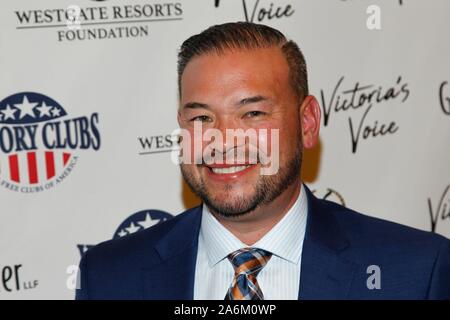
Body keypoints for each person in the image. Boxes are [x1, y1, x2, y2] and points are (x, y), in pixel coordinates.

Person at [76, 22, 450, 300]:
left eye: (252, 114)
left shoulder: (415, 272)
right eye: (202, 117)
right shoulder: (110, 277)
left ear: (306, 122)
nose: (223, 141)